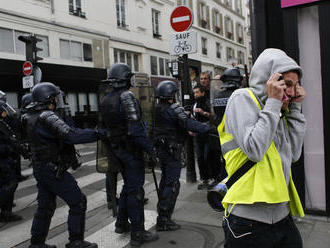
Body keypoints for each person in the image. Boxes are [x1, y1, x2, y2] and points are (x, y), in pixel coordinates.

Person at [219, 48, 306, 248]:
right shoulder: (242, 97)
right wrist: (274, 102)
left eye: (296, 85)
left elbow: (294, 154)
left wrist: (295, 109)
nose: (293, 92)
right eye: (287, 84)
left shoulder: (276, 111)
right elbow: (254, 150)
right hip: (247, 221)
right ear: (269, 80)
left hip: (282, 216)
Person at [23, 82, 101, 248]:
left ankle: (37, 243)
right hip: (52, 169)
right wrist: (98, 133)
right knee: (78, 201)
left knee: (45, 206)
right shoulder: (46, 116)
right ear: (49, 98)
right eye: (55, 98)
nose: (58, 101)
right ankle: (76, 241)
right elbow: (71, 135)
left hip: (41, 167)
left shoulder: (30, 116)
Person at [100, 63, 159, 247]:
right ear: (125, 79)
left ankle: (121, 223)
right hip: (131, 151)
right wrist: (151, 150)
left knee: (128, 187)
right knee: (135, 192)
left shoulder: (105, 99)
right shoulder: (127, 97)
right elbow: (136, 130)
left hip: (116, 150)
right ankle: (138, 233)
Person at [153, 80, 215, 231]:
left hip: (162, 150)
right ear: (171, 95)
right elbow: (189, 124)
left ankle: (162, 215)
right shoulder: (174, 109)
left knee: (165, 182)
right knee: (172, 184)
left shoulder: (157, 108)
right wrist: (210, 128)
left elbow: (170, 126)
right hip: (172, 150)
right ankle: (164, 219)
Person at [0, 100, 25, 223]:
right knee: (10, 183)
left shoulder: (3, 123)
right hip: (2, 160)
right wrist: (9, 149)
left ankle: (6, 212)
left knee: (6, 183)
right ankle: (5, 211)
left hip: (5, 159)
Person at [191, 85, 213, 190]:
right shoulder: (194, 104)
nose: (195, 95)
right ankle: (204, 179)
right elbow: (192, 118)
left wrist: (203, 112)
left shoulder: (208, 103)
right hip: (198, 133)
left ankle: (211, 178)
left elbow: (213, 116)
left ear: (203, 93)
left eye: (197, 92)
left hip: (208, 133)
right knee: (199, 157)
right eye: (194, 93)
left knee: (207, 156)